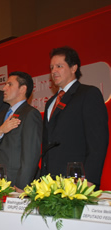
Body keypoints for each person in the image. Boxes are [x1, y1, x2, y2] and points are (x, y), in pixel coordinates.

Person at [41, 46, 109, 189]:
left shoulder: (88, 94)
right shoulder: (50, 103)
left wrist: (89, 179)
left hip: (77, 182)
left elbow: (98, 142)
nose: (54, 71)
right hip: (50, 183)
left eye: (59, 66)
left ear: (74, 68)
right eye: (52, 67)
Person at [0, 71, 42, 191]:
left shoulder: (30, 114)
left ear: (22, 89)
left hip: (15, 183)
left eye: (9, 84)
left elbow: (31, 155)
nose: (4, 88)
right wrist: (0, 130)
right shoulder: (1, 115)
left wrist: (21, 184)